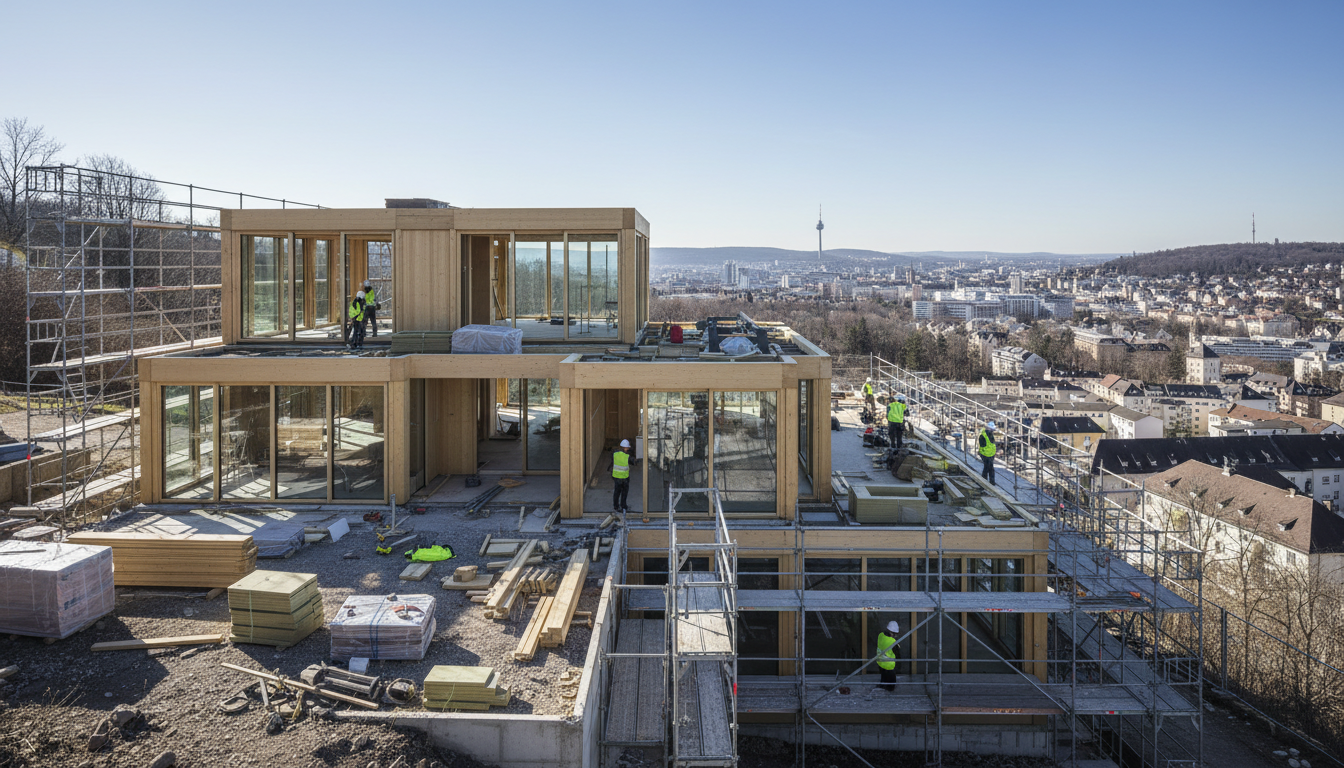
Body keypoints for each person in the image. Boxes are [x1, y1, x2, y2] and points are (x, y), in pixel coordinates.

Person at [876, 620, 901, 691]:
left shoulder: (880, 635)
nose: (895, 636)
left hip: (880, 661)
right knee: (891, 682)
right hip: (889, 664)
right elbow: (897, 654)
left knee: (883, 676)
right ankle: (890, 688)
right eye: (895, 634)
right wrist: (899, 664)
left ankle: (882, 685)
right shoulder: (892, 642)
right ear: (892, 633)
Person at [611, 439, 632, 514]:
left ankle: (616, 506)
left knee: (617, 492)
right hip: (624, 478)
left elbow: (612, 461)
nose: (628, 449)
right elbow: (633, 462)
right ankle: (623, 506)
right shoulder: (627, 456)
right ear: (625, 448)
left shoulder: (615, 454)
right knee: (624, 492)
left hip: (616, 477)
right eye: (627, 448)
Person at [978, 420, 998, 486]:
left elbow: (991, 444)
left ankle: (986, 482)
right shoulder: (984, 435)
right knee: (989, 468)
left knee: (988, 468)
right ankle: (988, 483)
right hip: (986, 454)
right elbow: (983, 445)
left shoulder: (989, 434)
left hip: (990, 454)